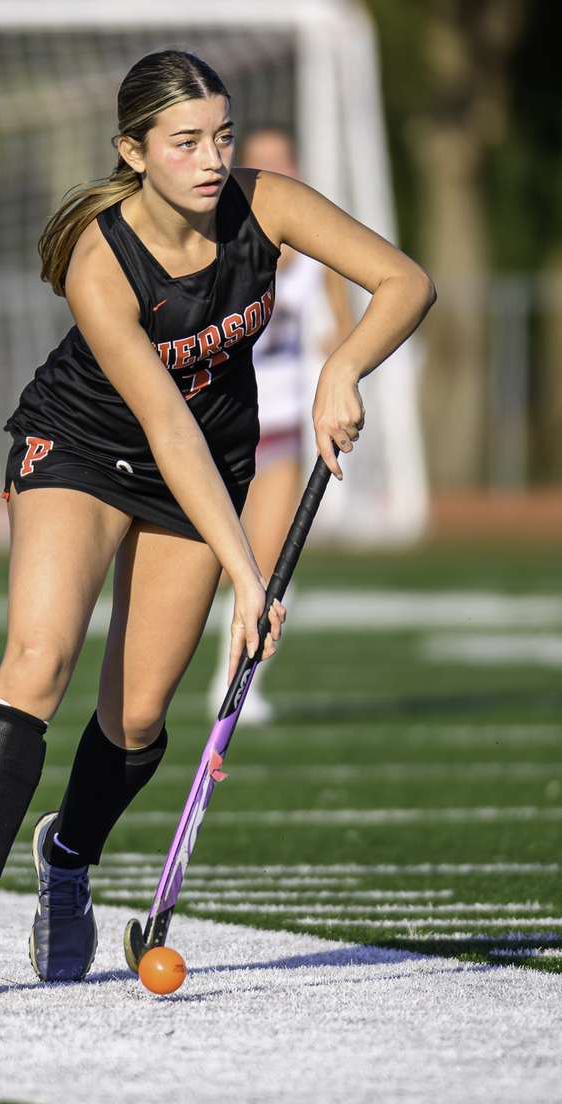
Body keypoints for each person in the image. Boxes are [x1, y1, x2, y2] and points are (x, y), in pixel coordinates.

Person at [0, 49, 433, 983]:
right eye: (185, 142)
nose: (211, 158)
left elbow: (406, 283)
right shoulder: (98, 260)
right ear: (134, 151)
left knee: (138, 717)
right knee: (39, 653)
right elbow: (163, 425)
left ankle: (67, 858)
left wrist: (342, 367)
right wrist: (248, 575)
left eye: (221, 135)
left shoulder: (267, 206)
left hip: (206, 461)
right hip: (83, 447)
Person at [205, 127, 354, 724]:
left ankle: (234, 681)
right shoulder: (218, 238)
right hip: (218, 423)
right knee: (209, 560)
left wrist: (339, 353)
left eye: (280, 161)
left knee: (263, 562)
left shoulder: (317, 255)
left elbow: (347, 329)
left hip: (285, 422)